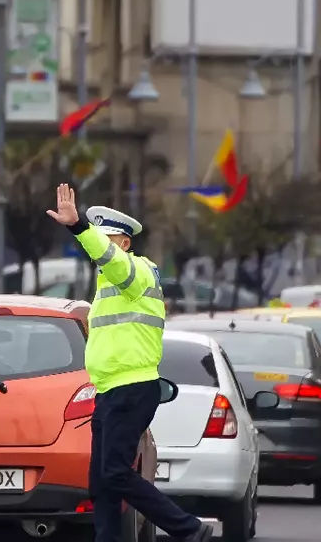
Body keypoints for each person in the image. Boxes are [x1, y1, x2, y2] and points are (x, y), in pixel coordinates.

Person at [47, 183, 213, 542]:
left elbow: (110, 259)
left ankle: (189, 529)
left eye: (105, 241)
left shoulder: (135, 272)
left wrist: (79, 227)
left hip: (131, 388)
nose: (98, 249)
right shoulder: (109, 285)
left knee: (116, 474)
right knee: (101, 484)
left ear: (123, 243)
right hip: (110, 390)